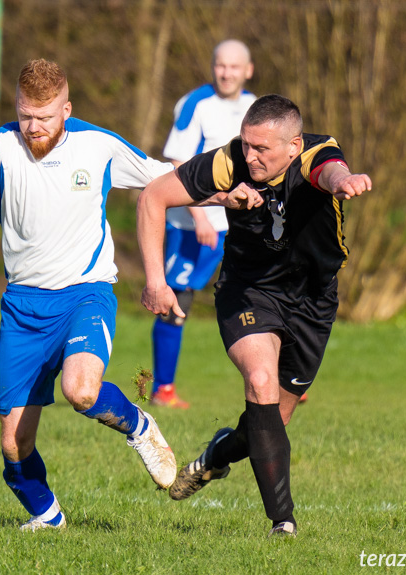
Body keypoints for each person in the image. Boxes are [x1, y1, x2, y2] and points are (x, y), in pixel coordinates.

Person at [0, 59, 177, 531]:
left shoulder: (98, 146)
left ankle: (139, 427)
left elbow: (167, 177)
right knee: (13, 445)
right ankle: (48, 518)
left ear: (67, 108)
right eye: (25, 115)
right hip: (23, 308)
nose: (33, 127)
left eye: (44, 116)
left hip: (86, 294)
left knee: (81, 390)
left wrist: (225, 192)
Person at [137, 94, 371, 537]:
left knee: (270, 422)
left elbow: (331, 170)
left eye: (262, 149)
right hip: (249, 290)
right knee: (260, 383)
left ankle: (217, 455)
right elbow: (153, 197)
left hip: (313, 299)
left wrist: (344, 181)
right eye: (246, 144)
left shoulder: (316, 157)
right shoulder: (230, 161)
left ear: (293, 145)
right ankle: (282, 523)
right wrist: (156, 280)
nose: (250, 156)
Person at [150, 39, 255, 409]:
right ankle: (163, 389)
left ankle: (281, 375)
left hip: (236, 221)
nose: (226, 72)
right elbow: (178, 164)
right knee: (177, 301)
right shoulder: (195, 104)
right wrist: (199, 216)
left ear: (248, 70)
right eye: (220, 65)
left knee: (261, 293)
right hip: (191, 224)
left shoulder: (254, 107)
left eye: (233, 66)